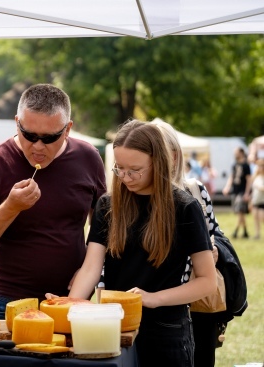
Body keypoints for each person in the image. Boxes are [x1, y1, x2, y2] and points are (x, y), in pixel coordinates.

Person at [66, 120, 216, 366]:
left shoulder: (185, 208)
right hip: (115, 328)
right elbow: (91, 268)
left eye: (135, 170)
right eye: (119, 168)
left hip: (167, 332)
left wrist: (153, 298)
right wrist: (69, 306)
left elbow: (207, 282)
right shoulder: (108, 205)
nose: (125, 177)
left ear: (158, 163)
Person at [0, 83, 107, 319]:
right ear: (17, 122)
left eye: (49, 138)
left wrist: (89, 271)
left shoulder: (88, 157)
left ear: (67, 129)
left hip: (71, 297)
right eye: (28, 135)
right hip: (11, 300)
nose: (37, 146)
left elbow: (103, 230)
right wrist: (11, 207)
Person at [151, 119, 222, 367]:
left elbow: (214, 232)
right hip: (160, 305)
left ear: (173, 155)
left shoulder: (194, 190)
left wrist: (212, 251)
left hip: (197, 300)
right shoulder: (134, 196)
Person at [222, 147, 252, 238]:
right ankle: (245, 232)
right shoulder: (234, 165)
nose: (235, 154)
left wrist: (247, 193)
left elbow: (249, 180)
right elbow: (231, 177)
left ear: (241, 153)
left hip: (242, 191)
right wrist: (227, 187)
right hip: (235, 191)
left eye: (236, 152)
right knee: (241, 212)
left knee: (240, 210)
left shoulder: (246, 166)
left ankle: (236, 231)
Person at [250, 159, 264, 240]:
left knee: (262, 217)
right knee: (255, 218)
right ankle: (257, 234)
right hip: (256, 200)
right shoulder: (255, 177)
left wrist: (261, 187)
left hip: (262, 200)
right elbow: (253, 190)